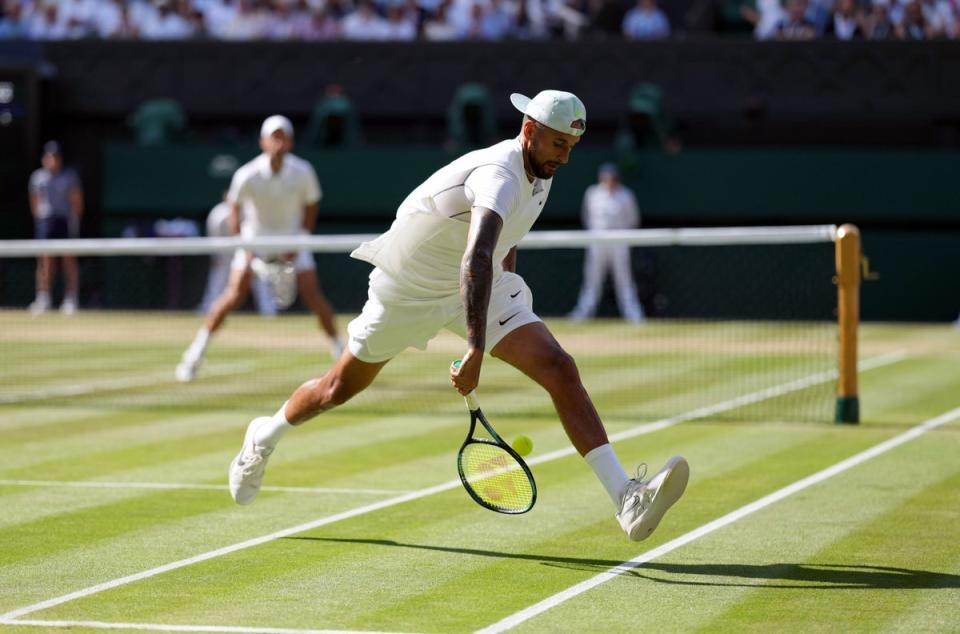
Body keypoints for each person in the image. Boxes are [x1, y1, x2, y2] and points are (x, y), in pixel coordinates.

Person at [226, 91, 689, 542]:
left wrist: (504, 303)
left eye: (571, 147)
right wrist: (474, 348)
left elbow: (501, 244)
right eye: (558, 144)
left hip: (477, 284)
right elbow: (477, 254)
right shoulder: (499, 173)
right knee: (336, 389)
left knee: (558, 367)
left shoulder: (541, 169)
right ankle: (263, 437)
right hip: (408, 290)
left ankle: (625, 497)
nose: (565, 157)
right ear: (529, 130)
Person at [176, 115, 344, 382]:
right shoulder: (248, 174)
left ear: (290, 142)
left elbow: (311, 205)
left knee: (314, 298)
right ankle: (193, 357)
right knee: (231, 297)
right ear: (263, 142)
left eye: (283, 137)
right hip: (255, 241)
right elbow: (234, 205)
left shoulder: (303, 172)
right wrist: (244, 240)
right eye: (273, 137)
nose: (278, 142)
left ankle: (341, 354)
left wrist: (300, 239)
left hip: (293, 242)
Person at [568, 163, 645, 323]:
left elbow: (633, 219)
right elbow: (587, 216)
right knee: (592, 279)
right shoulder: (592, 193)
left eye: (612, 177)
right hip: (597, 241)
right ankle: (583, 314)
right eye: (606, 176)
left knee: (624, 279)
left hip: (619, 241)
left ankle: (633, 315)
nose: (609, 180)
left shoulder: (626, 195)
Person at [28, 141, 84, 315]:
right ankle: (43, 298)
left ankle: (71, 298)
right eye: (49, 156)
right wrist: (40, 220)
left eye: (55, 156)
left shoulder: (69, 176)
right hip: (45, 223)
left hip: (65, 221)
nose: (52, 160)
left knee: (68, 260)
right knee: (45, 260)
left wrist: (74, 222)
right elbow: (35, 202)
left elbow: (77, 201)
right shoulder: (37, 178)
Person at [199, 197, 277, 316]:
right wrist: (217, 257)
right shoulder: (219, 214)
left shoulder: (251, 211)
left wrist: (252, 254)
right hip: (225, 254)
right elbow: (215, 236)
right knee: (218, 282)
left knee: (261, 280)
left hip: (251, 253)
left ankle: (269, 311)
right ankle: (207, 309)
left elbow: (257, 233)